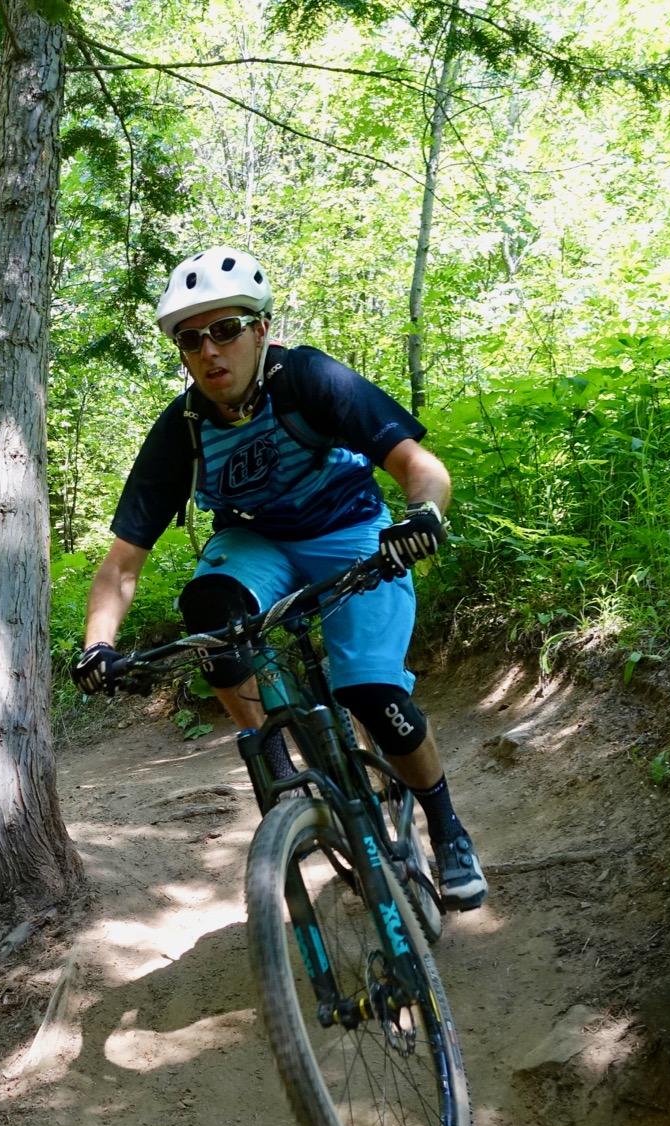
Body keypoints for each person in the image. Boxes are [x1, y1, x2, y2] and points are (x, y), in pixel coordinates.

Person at [72, 245, 489, 910]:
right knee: (210, 608)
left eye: (226, 329)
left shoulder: (309, 379)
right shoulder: (181, 429)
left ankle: (445, 825)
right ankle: (270, 747)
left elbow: (418, 464)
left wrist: (422, 516)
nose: (210, 351)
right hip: (256, 543)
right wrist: (97, 644)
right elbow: (122, 564)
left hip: (350, 532)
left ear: (261, 329)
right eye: (191, 338)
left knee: (374, 693)